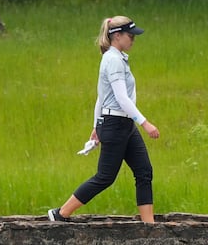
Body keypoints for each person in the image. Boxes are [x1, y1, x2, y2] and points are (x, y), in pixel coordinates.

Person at [48, 16, 160, 224]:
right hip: (116, 124)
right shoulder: (113, 60)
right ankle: (60, 214)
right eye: (130, 36)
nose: (133, 40)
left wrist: (95, 125)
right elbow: (120, 98)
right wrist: (145, 123)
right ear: (117, 36)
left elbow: (102, 96)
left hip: (124, 125)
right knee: (105, 177)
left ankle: (149, 225)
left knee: (144, 171)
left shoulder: (118, 58)